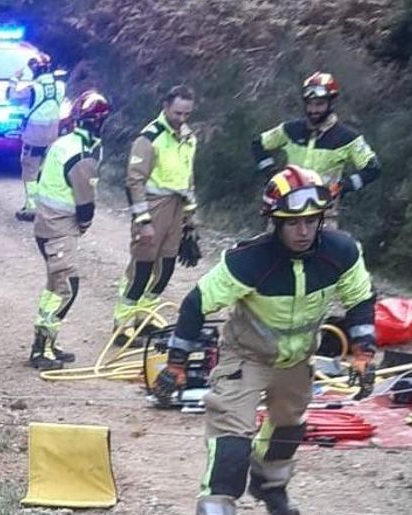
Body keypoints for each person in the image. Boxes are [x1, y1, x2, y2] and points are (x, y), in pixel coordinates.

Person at [154, 165, 377, 515]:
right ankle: (217, 502)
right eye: (292, 223)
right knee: (231, 441)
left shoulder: (341, 252)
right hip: (246, 358)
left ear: (322, 218)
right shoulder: (249, 260)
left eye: (311, 220)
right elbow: (196, 303)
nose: (303, 231)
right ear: (275, 222)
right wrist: (176, 363)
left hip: (298, 360)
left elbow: (360, 299)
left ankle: (269, 485)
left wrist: (364, 352)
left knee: (287, 430)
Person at [28, 90, 112, 371]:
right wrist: (84, 225)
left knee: (57, 286)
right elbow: (85, 204)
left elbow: (41, 178)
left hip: (46, 225)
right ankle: (41, 349)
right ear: (98, 123)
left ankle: (47, 343)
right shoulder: (84, 156)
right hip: (60, 228)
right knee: (64, 289)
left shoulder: (62, 143)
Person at [112, 85, 198, 344]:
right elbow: (134, 181)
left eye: (186, 114)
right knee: (142, 268)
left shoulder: (188, 137)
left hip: (176, 207)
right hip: (153, 207)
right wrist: (143, 221)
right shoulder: (149, 138)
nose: (181, 119)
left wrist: (191, 219)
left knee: (167, 267)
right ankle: (122, 324)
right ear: (165, 106)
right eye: (177, 113)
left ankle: (145, 318)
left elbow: (188, 177)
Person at [252, 72, 381, 228]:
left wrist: (344, 186)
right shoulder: (290, 129)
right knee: (270, 251)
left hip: (323, 217)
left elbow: (373, 168)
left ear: (330, 103)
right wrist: (271, 173)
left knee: (329, 251)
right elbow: (258, 143)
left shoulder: (348, 138)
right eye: (310, 104)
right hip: (285, 212)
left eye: (319, 104)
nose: (313, 109)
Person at [7, 56, 67, 222]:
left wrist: (14, 79)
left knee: (30, 172)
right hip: (52, 136)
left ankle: (32, 208)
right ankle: (48, 207)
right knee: (47, 171)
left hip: (34, 136)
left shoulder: (33, 89)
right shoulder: (61, 87)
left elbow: (11, 97)